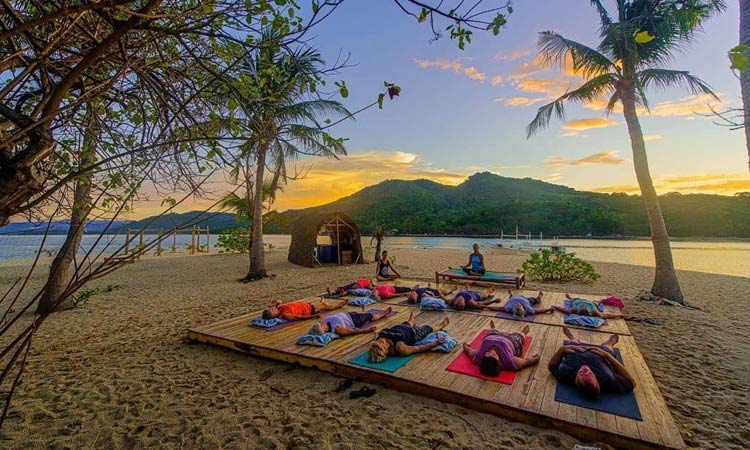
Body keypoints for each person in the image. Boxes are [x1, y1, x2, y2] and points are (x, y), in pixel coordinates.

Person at [548, 326, 636, 399]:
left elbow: (551, 366)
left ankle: (572, 338)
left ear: (576, 380)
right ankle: (611, 342)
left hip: (577, 349)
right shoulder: (608, 380)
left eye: (581, 372)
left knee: (573, 342)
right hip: (600, 354)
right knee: (607, 346)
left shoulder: (565, 374)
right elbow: (632, 383)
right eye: (590, 373)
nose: (585, 368)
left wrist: (562, 349)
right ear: (597, 382)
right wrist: (607, 356)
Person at [461, 320, 540, 375]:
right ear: (499, 362)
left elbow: (468, 351)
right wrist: (536, 358)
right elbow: (526, 362)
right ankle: (524, 332)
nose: (491, 352)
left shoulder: (479, 357)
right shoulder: (509, 361)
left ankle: (493, 328)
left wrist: (465, 345)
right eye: (493, 355)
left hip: (492, 336)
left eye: (487, 353)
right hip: (512, 341)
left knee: (492, 331)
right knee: (519, 337)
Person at [368, 312, 450, 363]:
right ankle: (441, 326)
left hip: (401, 326)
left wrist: (375, 334)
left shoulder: (378, 340)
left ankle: (411, 321)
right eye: (382, 344)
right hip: (414, 332)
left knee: (407, 322)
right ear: (386, 350)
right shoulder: (400, 347)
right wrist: (436, 343)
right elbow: (417, 348)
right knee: (428, 328)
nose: (380, 340)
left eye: (378, 341)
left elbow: (376, 340)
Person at [308, 307, 393, 337]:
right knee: (369, 316)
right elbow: (351, 331)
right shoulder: (336, 329)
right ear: (324, 330)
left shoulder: (325, 321)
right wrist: (366, 330)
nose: (321, 323)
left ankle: (363, 312)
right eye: (320, 325)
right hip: (355, 320)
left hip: (348, 314)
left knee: (362, 314)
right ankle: (383, 314)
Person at [481, 290, 555, 317]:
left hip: (513, 298)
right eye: (519, 306)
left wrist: (486, 307)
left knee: (511, 299)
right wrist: (548, 309)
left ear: (514, 309)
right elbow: (540, 311)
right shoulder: (529, 310)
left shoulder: (509, 308)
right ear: (523, 309)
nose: (518, 304)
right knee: (536, 301)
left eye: (517, 306)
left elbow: (496, 308)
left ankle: (510, 295)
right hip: (526, 300)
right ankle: (539, 297)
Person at [261, 298, 347, 321]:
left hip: (306, 305)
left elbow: (280, 302)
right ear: (273, 315)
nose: (273, 308)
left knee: (321, 305)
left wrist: (277, 302)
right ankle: (338, 306)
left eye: (271, 308)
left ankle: (321, 303)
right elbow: (299, 317)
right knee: (325, 306)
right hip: (309, 310)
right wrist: (313, 316)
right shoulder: (285, 315)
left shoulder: (279, 308)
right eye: (272, 310)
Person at [554, 293, 626, 319]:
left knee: (574, 300)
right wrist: (619, 315)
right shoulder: (594, 311)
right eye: (584, 307)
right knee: (597, 303)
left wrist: (556, 307)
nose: (584, 306)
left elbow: (565, 310)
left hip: (578, 301)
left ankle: (570, 298)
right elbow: (606, 315)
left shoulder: (575, 309)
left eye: (583, 306)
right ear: (588, 310)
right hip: (592, 304)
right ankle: (600, 301)